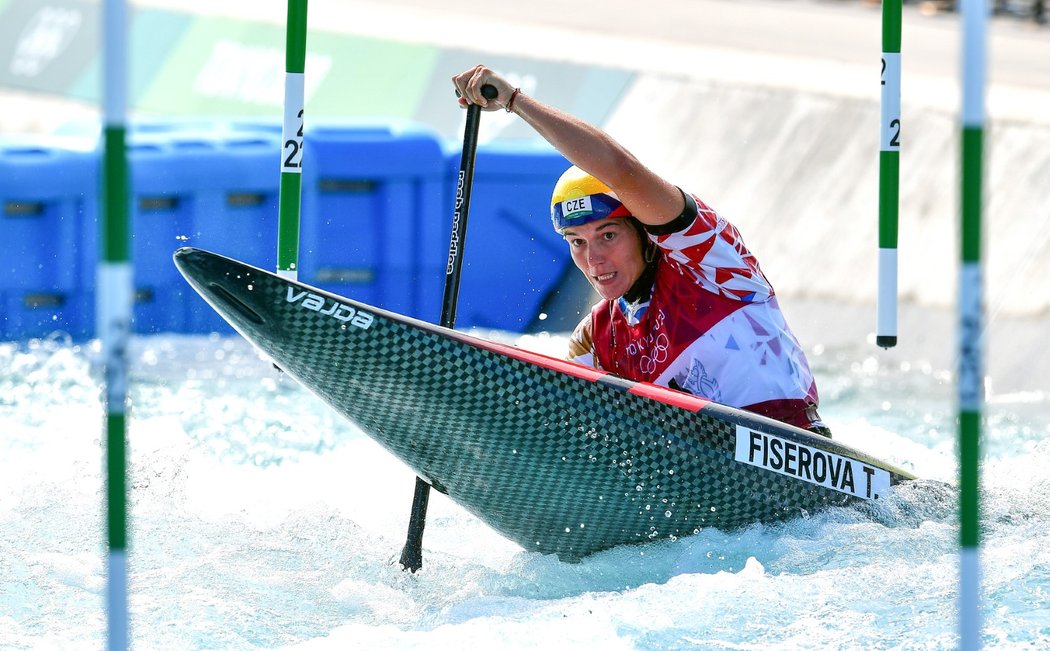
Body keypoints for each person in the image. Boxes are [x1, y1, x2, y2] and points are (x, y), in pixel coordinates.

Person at [452, 65, 829, 436]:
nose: (593, 259)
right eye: (577, 242)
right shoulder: (595, 340)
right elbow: (566, 433)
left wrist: (514, 101)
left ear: (645, 233)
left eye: (608, 235)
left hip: (798, 448)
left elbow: (621, 169)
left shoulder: (710, 262)